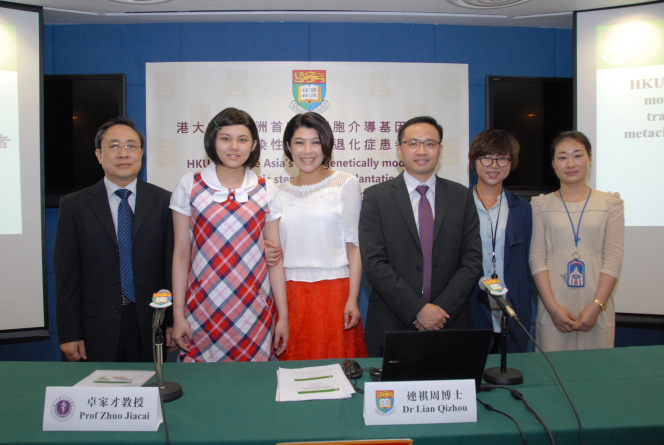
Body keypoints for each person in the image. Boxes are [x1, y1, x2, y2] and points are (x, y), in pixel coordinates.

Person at [169, 107, 288, 362]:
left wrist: (283, 316)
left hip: (254, 312)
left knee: (251, 391)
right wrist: (178, 316)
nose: (234, 147)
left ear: (254, 144)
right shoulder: (190, 185)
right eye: (225, 138)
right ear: (212, 141)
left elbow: (275, 260)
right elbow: (181, 253)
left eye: (242, 139)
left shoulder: (267, 190)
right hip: (201, 309)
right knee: (200, 390)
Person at [359, 116, 482, 357]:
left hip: (449, 323)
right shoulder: (376, 197)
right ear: (399, 150)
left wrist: (438, 311)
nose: (422, 150)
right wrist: (417, 310)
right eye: (413, 143)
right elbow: (373, 262)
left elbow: (472, 261)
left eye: (430, 143)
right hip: (393, 325)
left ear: (440, 150)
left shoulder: (461, 197)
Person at [54, 117, 174, 362]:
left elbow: (171, 267)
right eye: (114, 146)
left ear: (141, 153)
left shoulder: (164, 202)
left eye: (131, 146)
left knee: (150, 396)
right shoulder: (74, 206)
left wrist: (171, 321)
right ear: (98, 154)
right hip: (95, 328)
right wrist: (69, 333)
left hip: (151, 324)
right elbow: (67, 276)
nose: (123, 153)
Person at [265, 112, 368, 360]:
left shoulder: (345, 183)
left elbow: (355, 246)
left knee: (336, 372)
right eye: (299, 142)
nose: (307, 150)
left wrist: (352, 298)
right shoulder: (277, 192)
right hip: (290, 295)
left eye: (315, 141)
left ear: (326, 144)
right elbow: (274, 251)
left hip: (335, 293)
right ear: (288, 147)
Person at [530, 131, 624, 351]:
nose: (570, 163)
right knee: (555, 374)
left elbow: (613, 258)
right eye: (562, 157)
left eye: (578, 155)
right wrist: (553, 309)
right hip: (554, 303)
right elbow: (536, 258)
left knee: (595, 375)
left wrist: (596, 306)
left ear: (590, 158)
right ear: (553, 163)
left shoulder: (610, 203)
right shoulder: (541, 205)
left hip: (596, 302)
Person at [467, 130, 533, 353]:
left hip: (512, 308)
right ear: (474, 161)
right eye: (486, 157)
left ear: (511, 163)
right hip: (471, 308)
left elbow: (526, 263)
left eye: (502, 158)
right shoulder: (457, 204)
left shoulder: (522, 208)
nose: (494, 165)